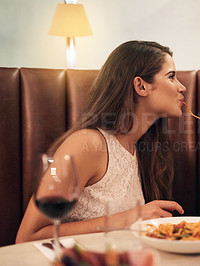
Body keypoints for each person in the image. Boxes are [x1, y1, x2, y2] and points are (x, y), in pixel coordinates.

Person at [16, 40, 186, 243]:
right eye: (172, 77)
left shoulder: (143, 149)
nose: (182, 87)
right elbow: (27, 237)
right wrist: (131, 218)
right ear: (141, 86)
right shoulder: (86, 145)